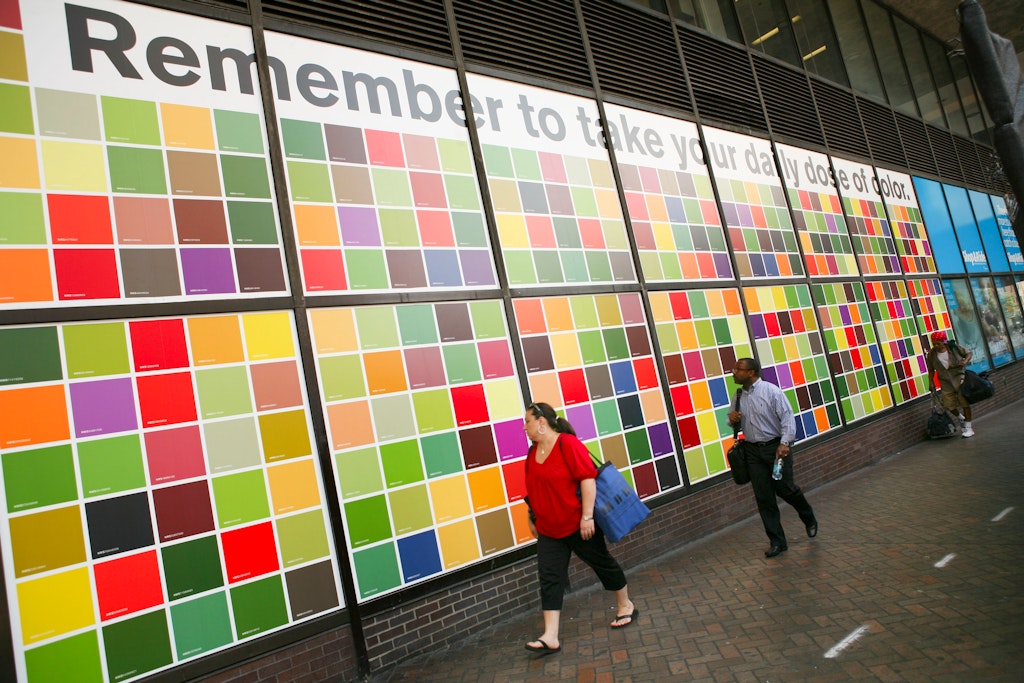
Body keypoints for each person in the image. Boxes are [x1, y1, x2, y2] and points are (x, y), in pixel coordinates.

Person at [522, 402, 637, 656]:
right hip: (549, 530)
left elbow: (587, 478)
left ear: (542, 422)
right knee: (550, 579)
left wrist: (587, 517)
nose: (525, 427)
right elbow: (534, 489)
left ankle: (625, 604)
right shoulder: (532, 454)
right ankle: (550, 636)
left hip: (577, 524)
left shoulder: (567, 444)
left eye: (528, 422)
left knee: (602, 563)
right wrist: (532, 517)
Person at [727, 358, 818, 558]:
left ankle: (808, 516)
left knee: (785, 489)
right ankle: (777, 541)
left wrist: (785, 443)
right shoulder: (739, 394)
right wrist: (732, 419)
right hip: (752, 452)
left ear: (751, 373)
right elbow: (732, 420)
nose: (733, 372)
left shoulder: (771, 391)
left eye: (738, 369)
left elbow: (787, 417)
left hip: (775, 449)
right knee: (764, 497)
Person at [925, 330, 975, 437]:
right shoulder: (932, 354)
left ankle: (968, 427)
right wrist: (931, 382)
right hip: (945, 381)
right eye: (934, 343)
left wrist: (965, 361)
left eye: (938, 343)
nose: (936, 346)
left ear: (944, 341)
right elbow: (930, 370)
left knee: (964, 403)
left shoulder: (953, 348)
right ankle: (961, 418)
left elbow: (969, 353)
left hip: (959, 378)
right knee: (948, 404)